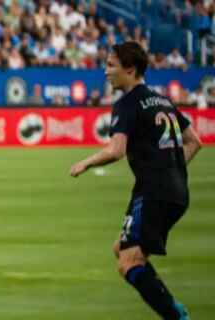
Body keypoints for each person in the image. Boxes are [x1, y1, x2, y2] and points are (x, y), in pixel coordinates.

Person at [69, 41, 201, 320]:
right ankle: (173, 309)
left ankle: (176, 315)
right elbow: (195, 141)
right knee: (122, 249)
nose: (106, 71)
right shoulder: (162, 100)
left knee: (128, 262)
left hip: (153, 192)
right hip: (174, 190)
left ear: (130, 69)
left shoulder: (127, 104)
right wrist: (172, 169)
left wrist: (86, 162)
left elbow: (116, 150)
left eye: (111, 65)